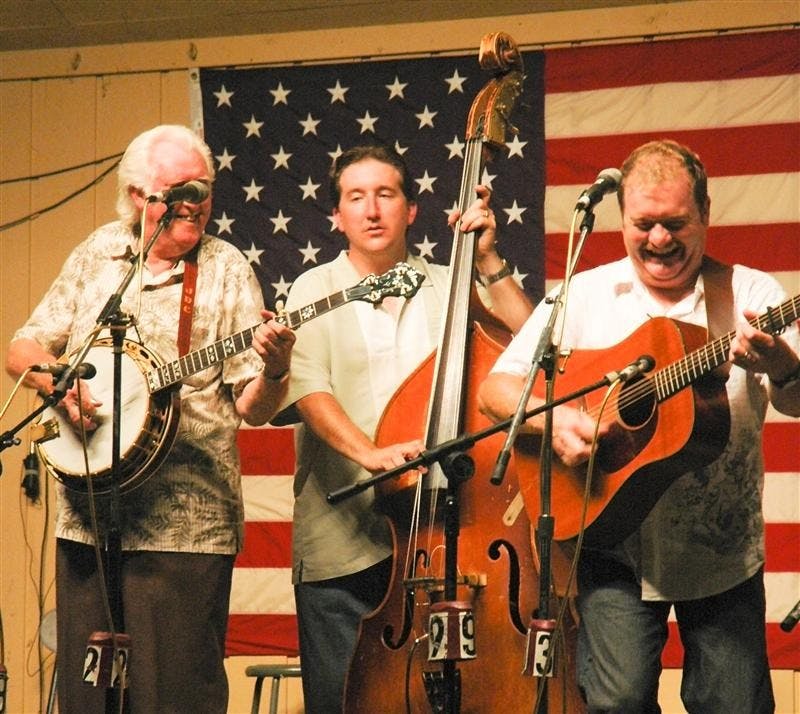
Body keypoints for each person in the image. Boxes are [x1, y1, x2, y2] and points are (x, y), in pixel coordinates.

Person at [478, 139, 800, 713]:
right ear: (621, 218)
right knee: (616, 704)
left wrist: (781, 364)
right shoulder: (583, 295)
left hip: (720, 553)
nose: (658, 240)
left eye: (675, 222)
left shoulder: (751, 296)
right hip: (609, 542)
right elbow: (496, 390)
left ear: (705, 214)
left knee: (733, 706)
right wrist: (555, 424)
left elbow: (798, 401)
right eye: (643, 223)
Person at [5, 124, 295, 713]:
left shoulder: (226, 267)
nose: (194, 203)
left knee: (175, 695)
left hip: (185, 526)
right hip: (89, 515)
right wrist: (61, 389)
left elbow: (252, 407)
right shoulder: (98, 254)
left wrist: (276, 368)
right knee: (88, 693)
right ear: (138, 196)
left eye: (204, 189)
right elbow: (23, 348)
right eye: (177, 190)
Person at [271, 143, 533, 712]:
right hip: (341, 542)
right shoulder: (313, 289)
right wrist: (370, 454)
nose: (371, 210)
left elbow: (536, 345)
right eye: (355, 198)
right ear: (336, 216)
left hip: (442, 540)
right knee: (343, 702)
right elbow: (308, 387)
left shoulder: (449, 284)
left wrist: (487, 261)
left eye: (386, 195)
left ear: (411, 210)